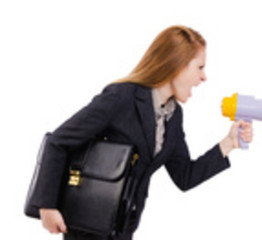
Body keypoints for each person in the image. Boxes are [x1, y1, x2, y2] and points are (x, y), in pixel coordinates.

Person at [24, 25, 250, 240]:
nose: (204, 77)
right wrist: (47, 206)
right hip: (87, 228)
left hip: (122, 228)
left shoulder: (173, 116)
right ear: (177, 64)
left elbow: (185, 176)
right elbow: (58, 142)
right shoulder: (122, 97)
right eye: (200, 67)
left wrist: (229, 143)